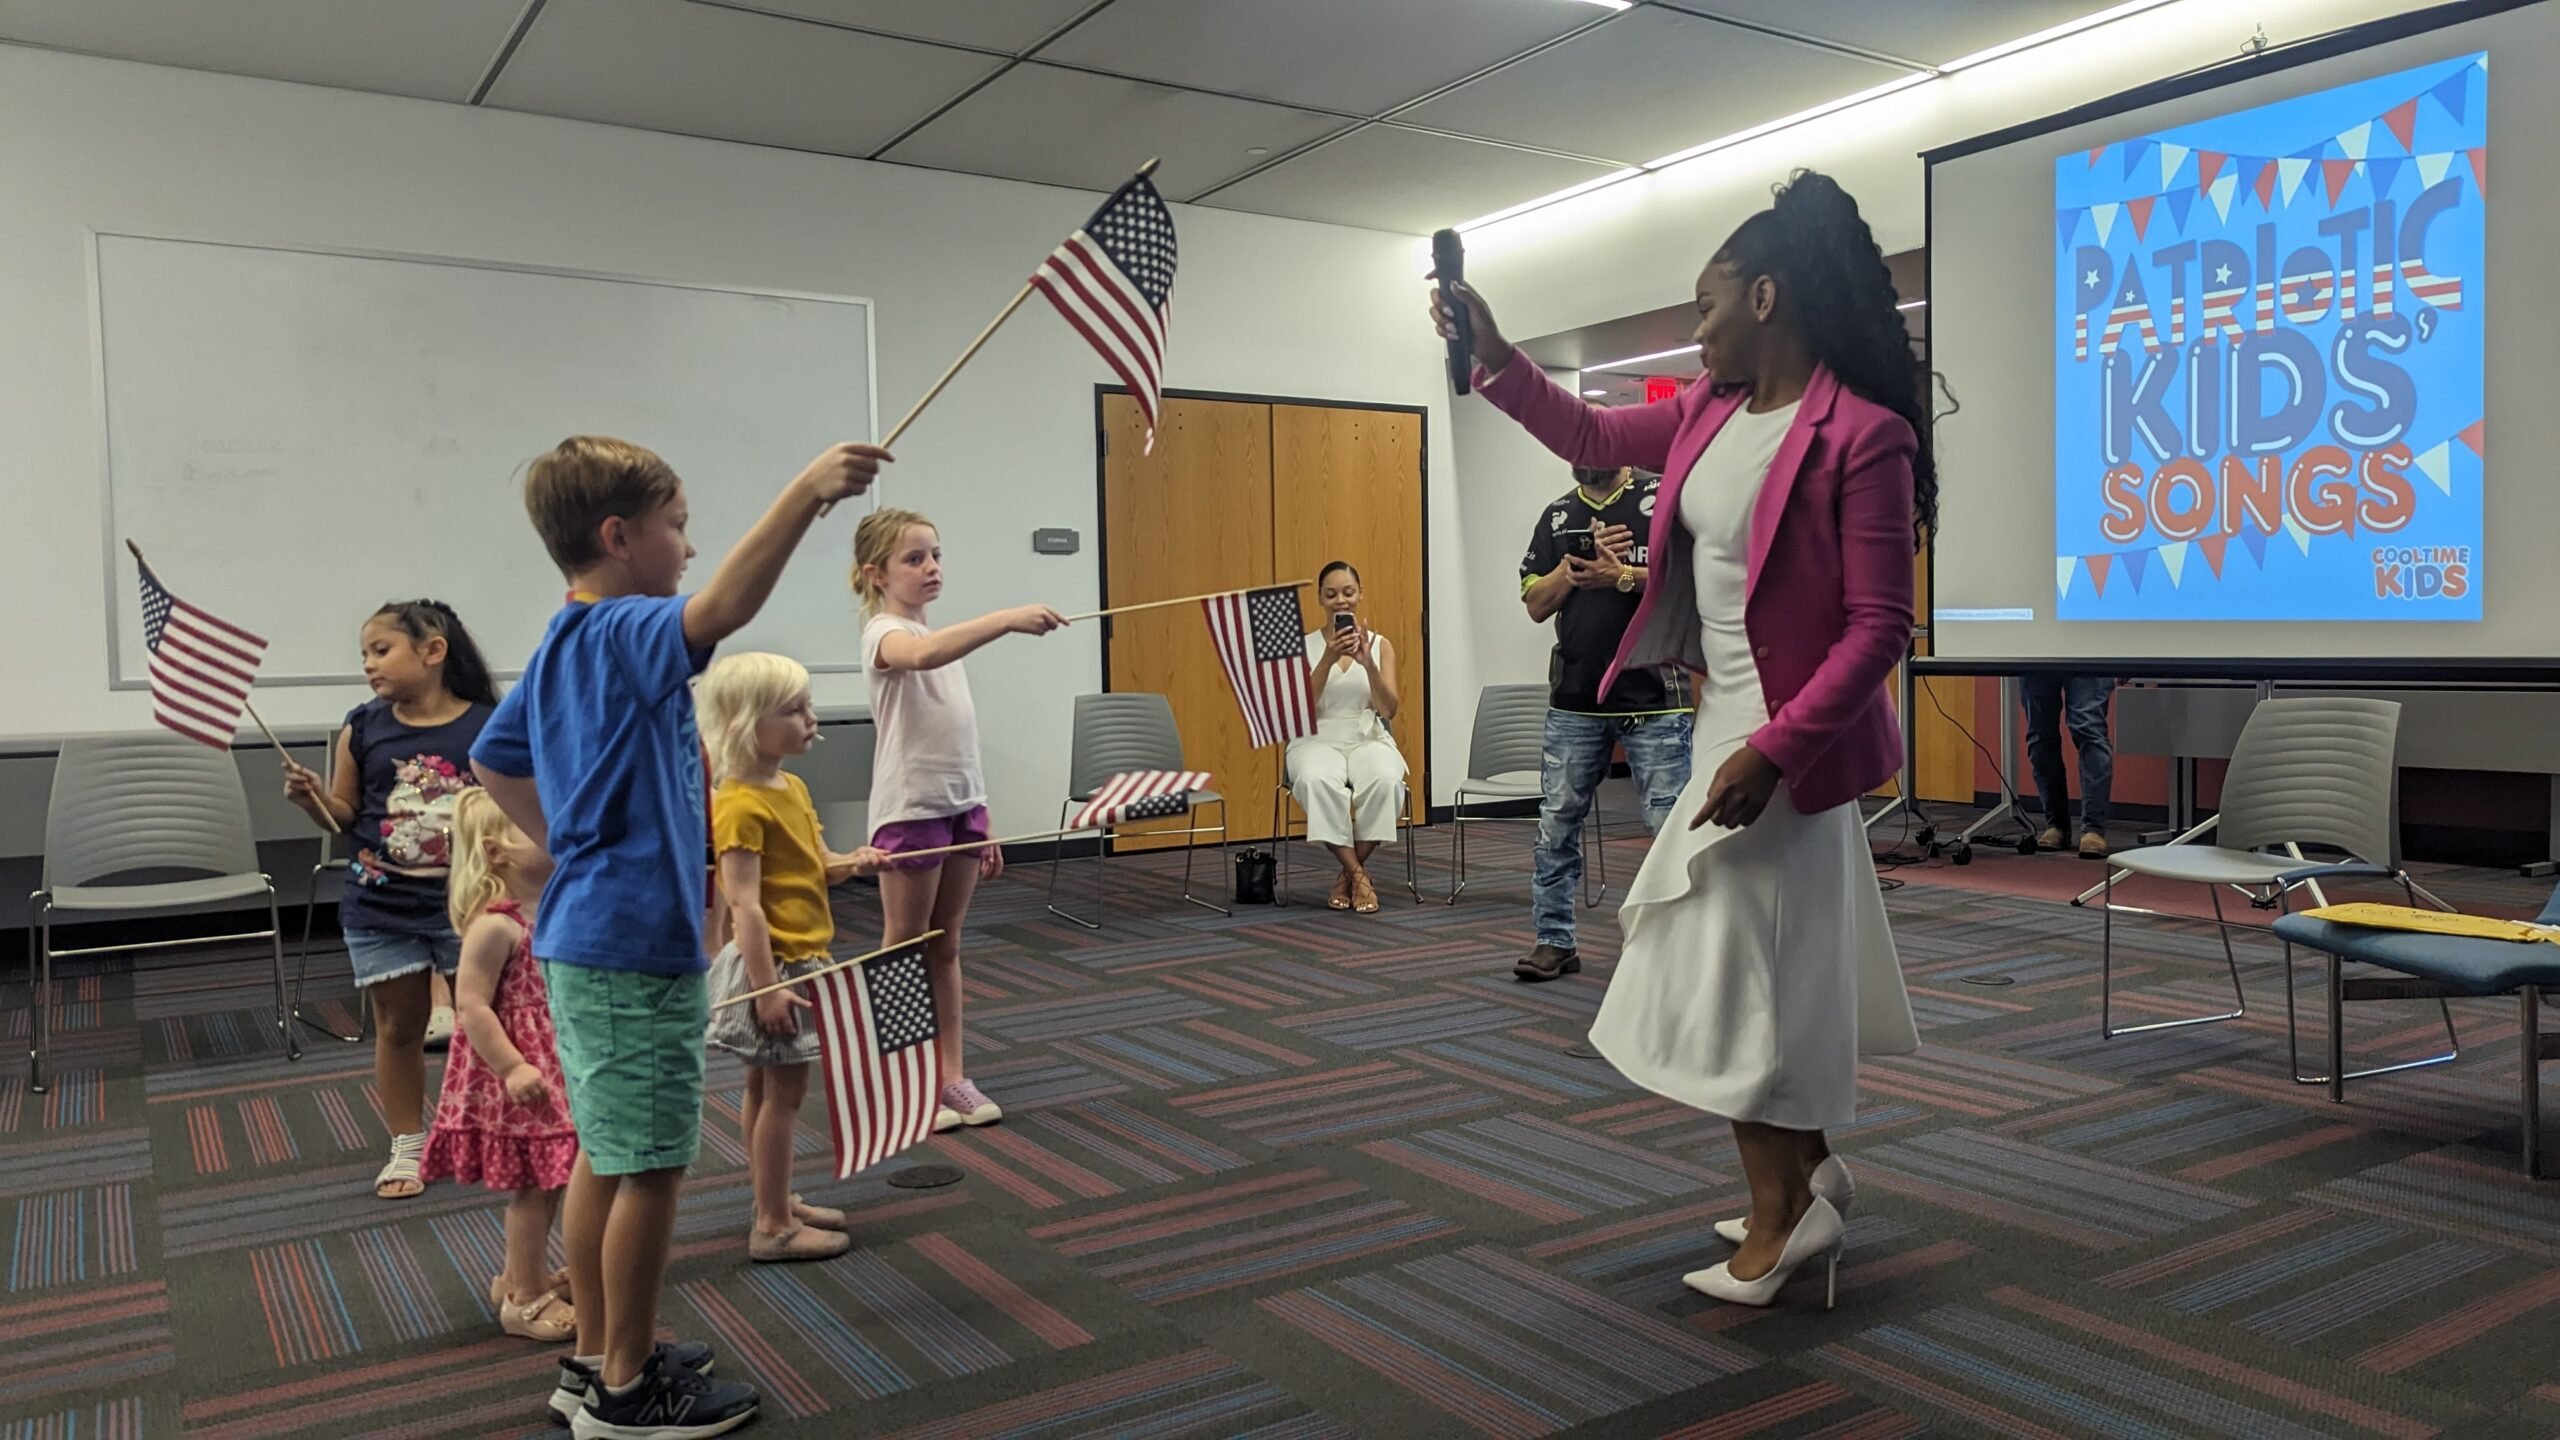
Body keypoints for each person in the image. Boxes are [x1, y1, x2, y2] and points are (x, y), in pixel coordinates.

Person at [1432, 168, 1923, 1312]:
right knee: (1765, 972)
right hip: (1721, 723)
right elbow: (1592, 426)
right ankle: (1806, 1177)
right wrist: (1498, 355)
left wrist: (1777, 751)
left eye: (1705, 306)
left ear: (1765, 296)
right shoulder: (1709, 410)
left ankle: (1782, 1216)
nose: (1694, 333)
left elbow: (1877, 628)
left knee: (1730, 979)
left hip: (1782, 746)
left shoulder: (1865, 435)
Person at [472, 434, 884, 1438]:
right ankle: (625, 1388)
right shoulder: (621, 628)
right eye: (679, 526)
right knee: (650, 1166)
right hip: (627, 945)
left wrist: (565, 841)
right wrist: (806, 494)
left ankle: (593, 1360)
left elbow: (493, 755)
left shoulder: (562, 641)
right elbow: (723, 611)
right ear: (618, 537)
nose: (690, 548)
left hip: (593, 933)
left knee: (606, 1158)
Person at [853, 507, 1066, 1134]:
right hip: (910, 811)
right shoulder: (884, 634)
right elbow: (917, 658)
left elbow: (958, 736)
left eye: (936, 555)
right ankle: (901, 1081)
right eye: (914, 559)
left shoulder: (937, 638)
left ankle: (951, 1076)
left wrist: (983, 812)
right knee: (903, 945)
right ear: (876, 575)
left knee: (946, 947)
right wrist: (1006, 619)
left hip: (961, 808)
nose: (932, 568)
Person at [281, 599, 498, 1201]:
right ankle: (407, 1141)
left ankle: (483, 1126)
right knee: (398, 1026)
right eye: (365, 655)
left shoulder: (487, 724)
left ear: (433, 652)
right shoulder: (365, 725)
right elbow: (345, 816)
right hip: (381, 905)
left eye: (381, 651)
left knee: (491, 1023)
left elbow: (513, 812)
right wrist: (312, 799)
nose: (369, 666)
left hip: (471, 907)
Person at [696, 651, 890, 1263]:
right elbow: (744, 904)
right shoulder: (739, 802)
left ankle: (770, 1199)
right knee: (783, 1094)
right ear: (746, 723)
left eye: (808, 707)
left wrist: (851, 862)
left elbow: (813, 866)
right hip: (775, 965)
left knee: (765, 1086)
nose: (812, 720)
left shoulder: (793, 786)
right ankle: (774, 1226)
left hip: (802, 955)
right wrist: (767, 987)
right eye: (794, 710)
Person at [1516, 465, 1696, 980]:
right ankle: (1554, 941)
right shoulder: (1557, 515)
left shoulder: (1662, 497)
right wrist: (1571, 571)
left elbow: (1695, 576)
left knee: (1669, 832)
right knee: (1556, 827)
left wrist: (1619, 575)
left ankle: (1677, 945)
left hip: (1656, 697)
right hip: (1575, 700)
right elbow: (1534, 603)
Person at [418, 789, 578, 1341]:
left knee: (559, 1174)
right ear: (497, 852)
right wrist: (512, 1067)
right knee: (536, 1182)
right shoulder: (496, 926)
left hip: (558, 1062)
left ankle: (518, 1273)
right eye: (536, 829)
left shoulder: (553, 907)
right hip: (521, 1070)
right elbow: (471, 1005)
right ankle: (525, 1296)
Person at [1285, 561, 1406, 914]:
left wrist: (1367, 662)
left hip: (1367, 734)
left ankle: (1347, 874)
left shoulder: (1381, 646)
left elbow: (1389, 710)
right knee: (1314, 780)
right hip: (1315, 737)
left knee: (1386, 780)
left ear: (1360, 594)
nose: (1341, 600)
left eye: (1348, 592)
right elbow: (1298, 709)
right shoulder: (1302, 645)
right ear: (1320, 599)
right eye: (1331, 594)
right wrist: (1327, 658)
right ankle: (1358, 874)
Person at [2023, 676, 2116, 859]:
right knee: (2039, 737)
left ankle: (2093, 828)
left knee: (2089, 729)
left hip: (2091, 652)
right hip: (2036, 653)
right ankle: (2055, 825)